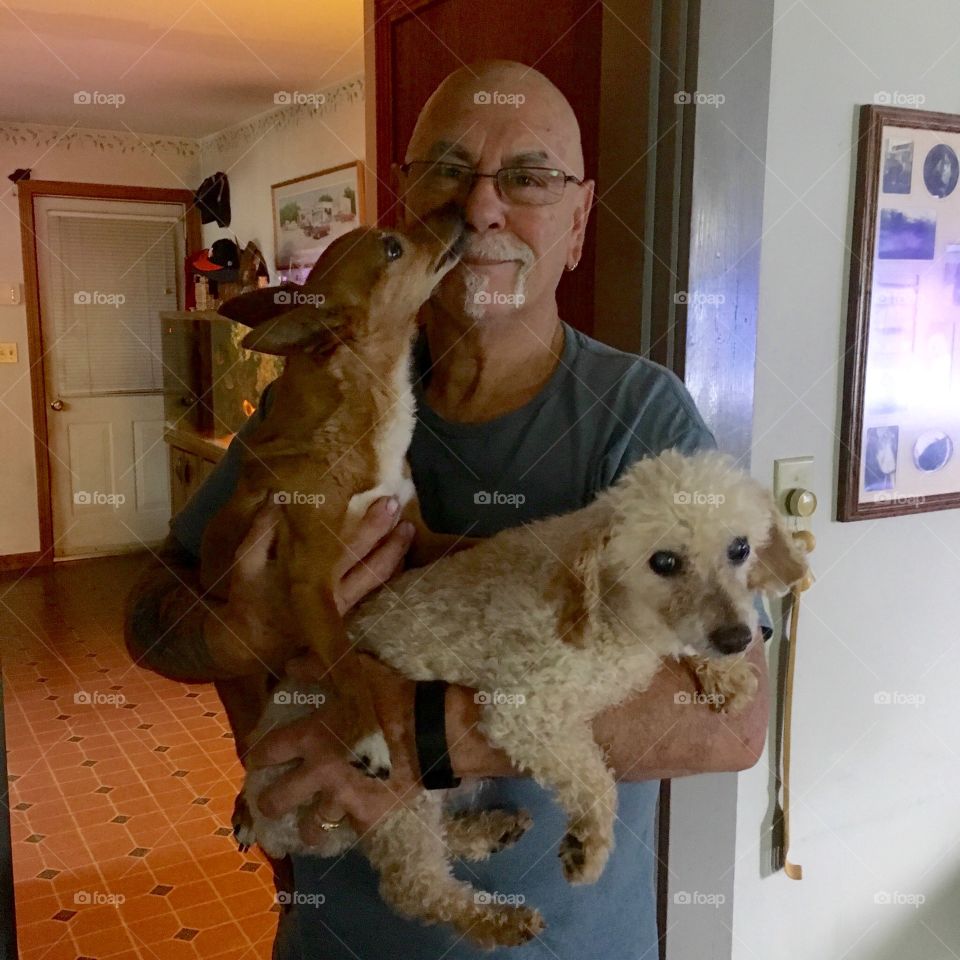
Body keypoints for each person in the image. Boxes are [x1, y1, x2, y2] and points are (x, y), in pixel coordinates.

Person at [126, 59, 771, 959]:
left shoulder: (640, 416)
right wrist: (244, 631)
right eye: (447, 171)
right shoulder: (313, 397)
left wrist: (423, 731)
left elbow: (733, 723)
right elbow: (147, 621)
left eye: (529, 178)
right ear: (404, 200)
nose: (480, 208)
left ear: (579, 222)